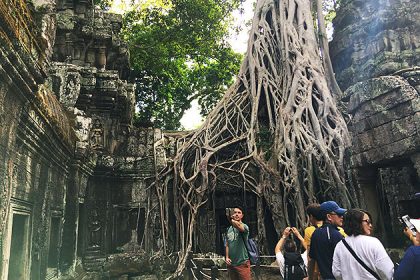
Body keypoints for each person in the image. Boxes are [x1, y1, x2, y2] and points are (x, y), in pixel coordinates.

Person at [332, 209, 394, 280]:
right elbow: (387, 271)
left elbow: (337, 273)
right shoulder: (373, 242)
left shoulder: (340, 246)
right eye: (367, 221)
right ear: (356, 222)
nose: (370, 225)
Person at [308, 201, 346, 280]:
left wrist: (310, 277)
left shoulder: (316, 233)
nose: (341, 217)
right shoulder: (336, 234)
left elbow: (312, 259)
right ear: (329, 217)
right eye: (338, 214)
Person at [225, 206, 251, 280]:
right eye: (235, 212)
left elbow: (239, 226)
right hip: (232, 264)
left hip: (242, 263)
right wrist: (227, 257)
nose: (236, 214)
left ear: (242, 215)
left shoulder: (244, 226)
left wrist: (231, 220)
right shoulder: (229, 229)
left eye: (239, 213)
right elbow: (227, 244)